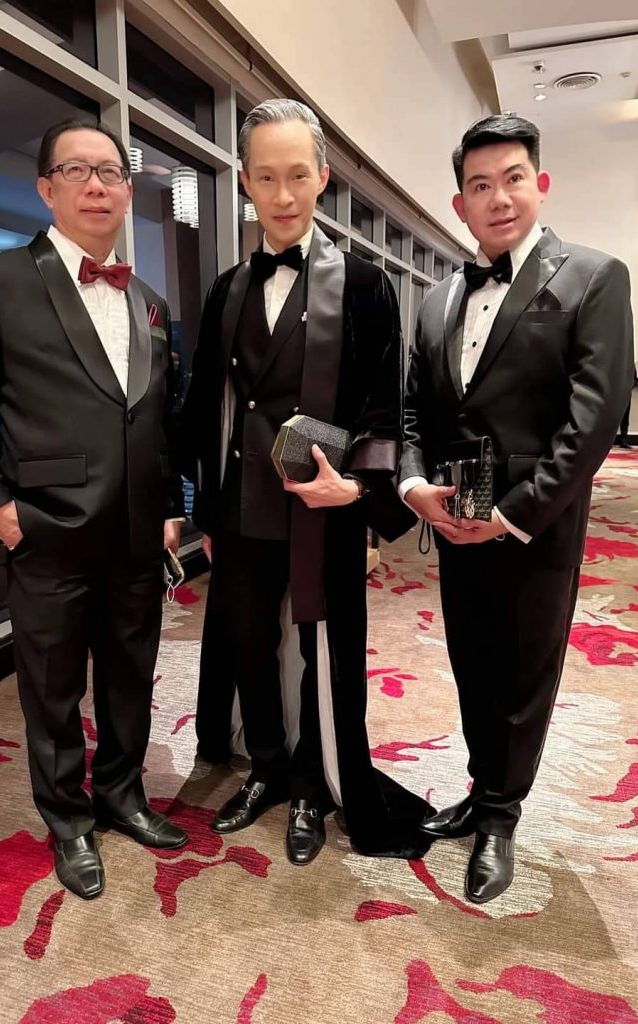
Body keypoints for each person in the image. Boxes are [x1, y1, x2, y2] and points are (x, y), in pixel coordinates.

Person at [0, 119, 189, 900]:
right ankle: (68, 819)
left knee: (131, 677)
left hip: (136, 533)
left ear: (128, 191)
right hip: (45, 527)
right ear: (46, 188)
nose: (97, 185)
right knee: (53, 685)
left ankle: (123, 795)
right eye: (77, 171)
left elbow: (156, 418)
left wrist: (170, 505)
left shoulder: (148, 300)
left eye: (111, 173)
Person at [180, 98, 432, 866]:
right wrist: (200, 510)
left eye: (297, 175)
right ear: (245, 183)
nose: (283, 195)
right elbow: (206, 404)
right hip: (242, 508)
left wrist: (357, 490)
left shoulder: (364, 285)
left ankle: (312, 787)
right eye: (266, 177)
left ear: (323, 176)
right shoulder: (226, 289)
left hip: (326, 507)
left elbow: (384, 407)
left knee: (326, 649)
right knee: (251, 644)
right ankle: (265, 767)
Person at [399, 113, 634, 903]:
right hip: (454, 519)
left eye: (512, 179)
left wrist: (511, 514)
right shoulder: (437, 300)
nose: (498, 198)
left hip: (535, 525)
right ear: (459, 203)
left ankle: (501, 816)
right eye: (480, 185)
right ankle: (481, 786)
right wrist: (413, 487)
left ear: (541, 184)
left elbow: (592, 422)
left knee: (526, 671)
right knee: (473, 663)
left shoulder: (594, 277)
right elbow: (413, 413)